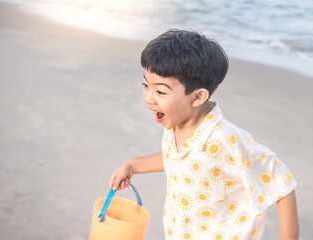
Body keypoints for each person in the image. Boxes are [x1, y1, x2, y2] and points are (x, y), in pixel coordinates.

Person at [109, 29, 299, 240]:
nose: (148, 97)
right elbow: (181, 161)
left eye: (160, 92)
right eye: (146, 85)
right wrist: (134, 165)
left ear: (198, 96)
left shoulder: (225, 138)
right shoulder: (176, 125)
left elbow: (280, 179)